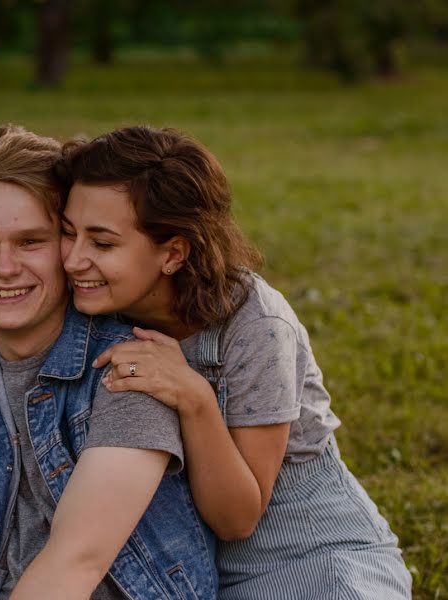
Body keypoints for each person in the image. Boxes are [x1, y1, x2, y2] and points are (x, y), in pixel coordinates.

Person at [56, 125, 412, 599]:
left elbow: (238, 518)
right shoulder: (98, 294)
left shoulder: (256, 326)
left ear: (173, 253)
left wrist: (195, 398)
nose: (74, 259)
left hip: (303, 551)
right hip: (178, 561)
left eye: (102, 244)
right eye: (67, 233)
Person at [0, 125, 216, 600]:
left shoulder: (128, 367)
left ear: (69, 248)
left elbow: (77, 560)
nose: (4, 267)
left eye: (31, 241)